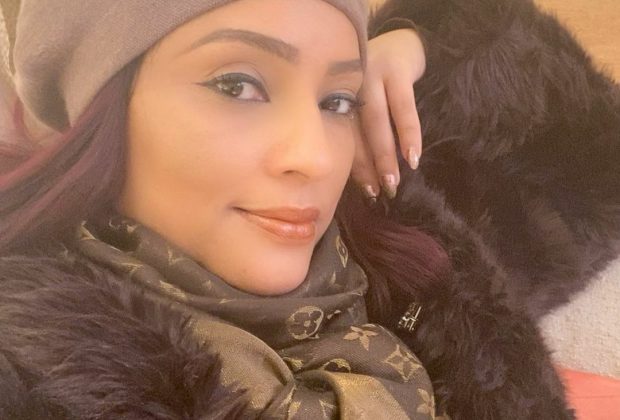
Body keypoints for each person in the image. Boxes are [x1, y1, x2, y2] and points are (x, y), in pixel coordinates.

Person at [1, 0, 619, 418]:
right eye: (238, 85)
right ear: (96, 111)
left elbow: (595, 169)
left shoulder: (398, 258)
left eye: (337, 101)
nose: (316, 158)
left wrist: (423, 40)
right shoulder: (29, 380)